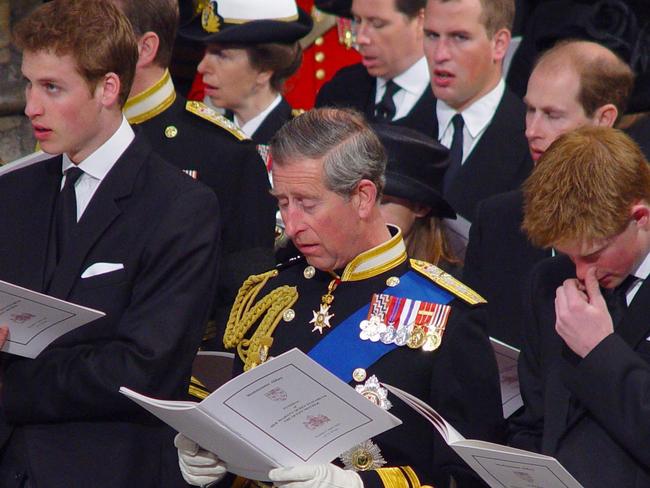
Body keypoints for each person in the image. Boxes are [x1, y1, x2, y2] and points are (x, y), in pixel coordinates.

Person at [175, 108, 503, 488]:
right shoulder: (270, 293)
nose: (292, 224)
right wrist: (213, 460)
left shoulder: (448, 313)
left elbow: (473, 478)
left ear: (363, 197)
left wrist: (359, 485)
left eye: (307, 203)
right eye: (283, 202)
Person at [0, 1, 220, 487]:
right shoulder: (11, 192)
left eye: (53, 87)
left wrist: (7, 385)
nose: (32, 106)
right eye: (30, 83)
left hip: (107, 467)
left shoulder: (179, 207)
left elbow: (143, 368)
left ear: (107, 88)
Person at [111, 0, 277, 347]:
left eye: (97, 33)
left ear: (145, 48)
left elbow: (241, 300)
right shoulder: (70, 134)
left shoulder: (222, 151)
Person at [463, 40, 635, 348]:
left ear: (604, 119)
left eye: (553, 115)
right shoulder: (497, 220)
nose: (532, 130)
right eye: (530, 110)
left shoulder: (634, 226)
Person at [508, 126, 650, 487]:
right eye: (569, 255)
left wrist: (601, 351)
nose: (582, 272)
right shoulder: (548, 281)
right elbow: (536, 420)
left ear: (640, 218)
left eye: (593, 254)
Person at [423, 0, 532, 222]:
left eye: (459, 37)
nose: (440, 54)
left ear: (499, 44)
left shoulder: (533, 140)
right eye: (432, 35)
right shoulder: (398, 130)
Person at [179, 0, 312, 146]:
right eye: (206, 51)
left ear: (264, 71)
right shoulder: (203, 135)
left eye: (221, 55)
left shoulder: (300, 146)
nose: (201, 67)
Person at [315, 0, 437, 137]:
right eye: (357, 20)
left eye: (377, 24)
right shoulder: (339, 91)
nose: (360, 38)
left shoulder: (455, 101)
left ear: (421, 21)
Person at [373, 124, 460, 273]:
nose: (365, 210)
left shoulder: (446, 284)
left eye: (383, 201)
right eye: (360, 198)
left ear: (420, 208)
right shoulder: (335, 266)